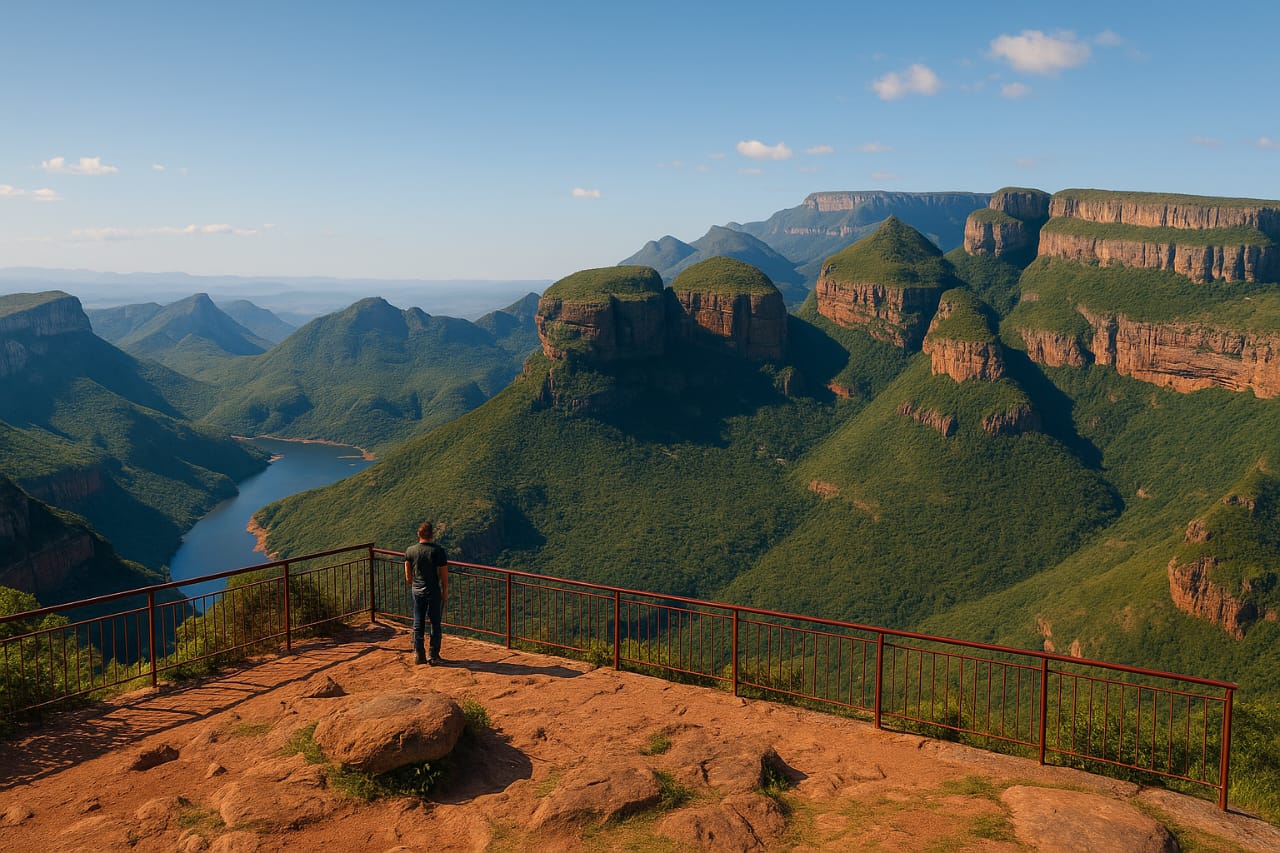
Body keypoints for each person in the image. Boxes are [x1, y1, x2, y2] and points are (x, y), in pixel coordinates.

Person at [404, 521, 449, 665]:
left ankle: (419, 654)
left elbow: (408, 576)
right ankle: (433, 655)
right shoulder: (437, 551)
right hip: (433, 591)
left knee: (418, 622)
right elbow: (444, 575)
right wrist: (445, 591)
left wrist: (415, 584)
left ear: (419, 534)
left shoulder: (410, 551)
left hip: (417, 591)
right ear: (432, 534)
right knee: (435, 623)